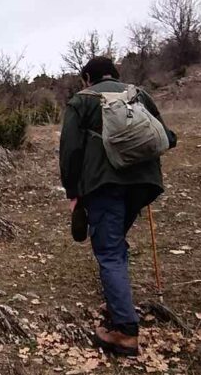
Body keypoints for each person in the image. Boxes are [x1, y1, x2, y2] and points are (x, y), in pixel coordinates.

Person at [59, 56, 177, 357]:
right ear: (115, 74)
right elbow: (168, 137)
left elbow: (70, 150)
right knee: (114, 244)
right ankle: (117, 300)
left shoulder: (81, 101)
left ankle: (124, 331)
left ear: (87, 77)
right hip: (145, 183)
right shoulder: (138, 94)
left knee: (108, 250)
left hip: (104, 184)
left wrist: (73, 191)